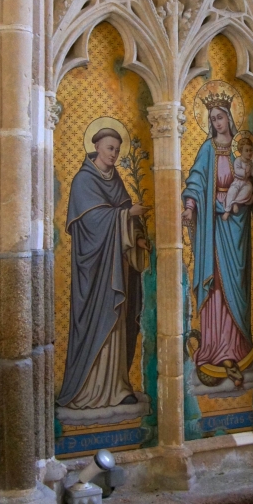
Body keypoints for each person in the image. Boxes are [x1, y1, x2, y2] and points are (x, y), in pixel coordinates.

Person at [57, 127, 150, 411]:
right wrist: (125, 215)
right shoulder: (83, 180)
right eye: (110, 148)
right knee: (98, 321)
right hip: (94, 272)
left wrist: (137, 236)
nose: (114, 154)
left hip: (115, 268)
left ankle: (118, 387)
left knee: (118, 322)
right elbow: (90, 224)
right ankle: (86, 388)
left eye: (117, 150)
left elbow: (122, 217)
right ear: (97, 147)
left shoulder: (115, 179)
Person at [182, 96, 253, 388]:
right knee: (214, 286)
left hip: (237, 226)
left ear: (229, 117)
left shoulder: (243, 150)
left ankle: (236, 348)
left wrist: (249, 196)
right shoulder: (207, 149)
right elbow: (196, 181)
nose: (216, 123)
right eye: (212, 119)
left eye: (220, 117)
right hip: (213, 225)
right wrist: (190, 206)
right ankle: (214, 350)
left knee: (235, 284)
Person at [223, 135, 253, 220]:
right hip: (237, 181)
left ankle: (236, 202)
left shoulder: (251, 163)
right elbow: (237, 170)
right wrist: (245, 171)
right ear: (241, 151)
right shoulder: (238, 160)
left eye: (250, 150)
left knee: (247, 191)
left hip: (246, 182)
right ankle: (227, 211)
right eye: (247, 150)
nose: (249, 152)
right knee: (231, 192)